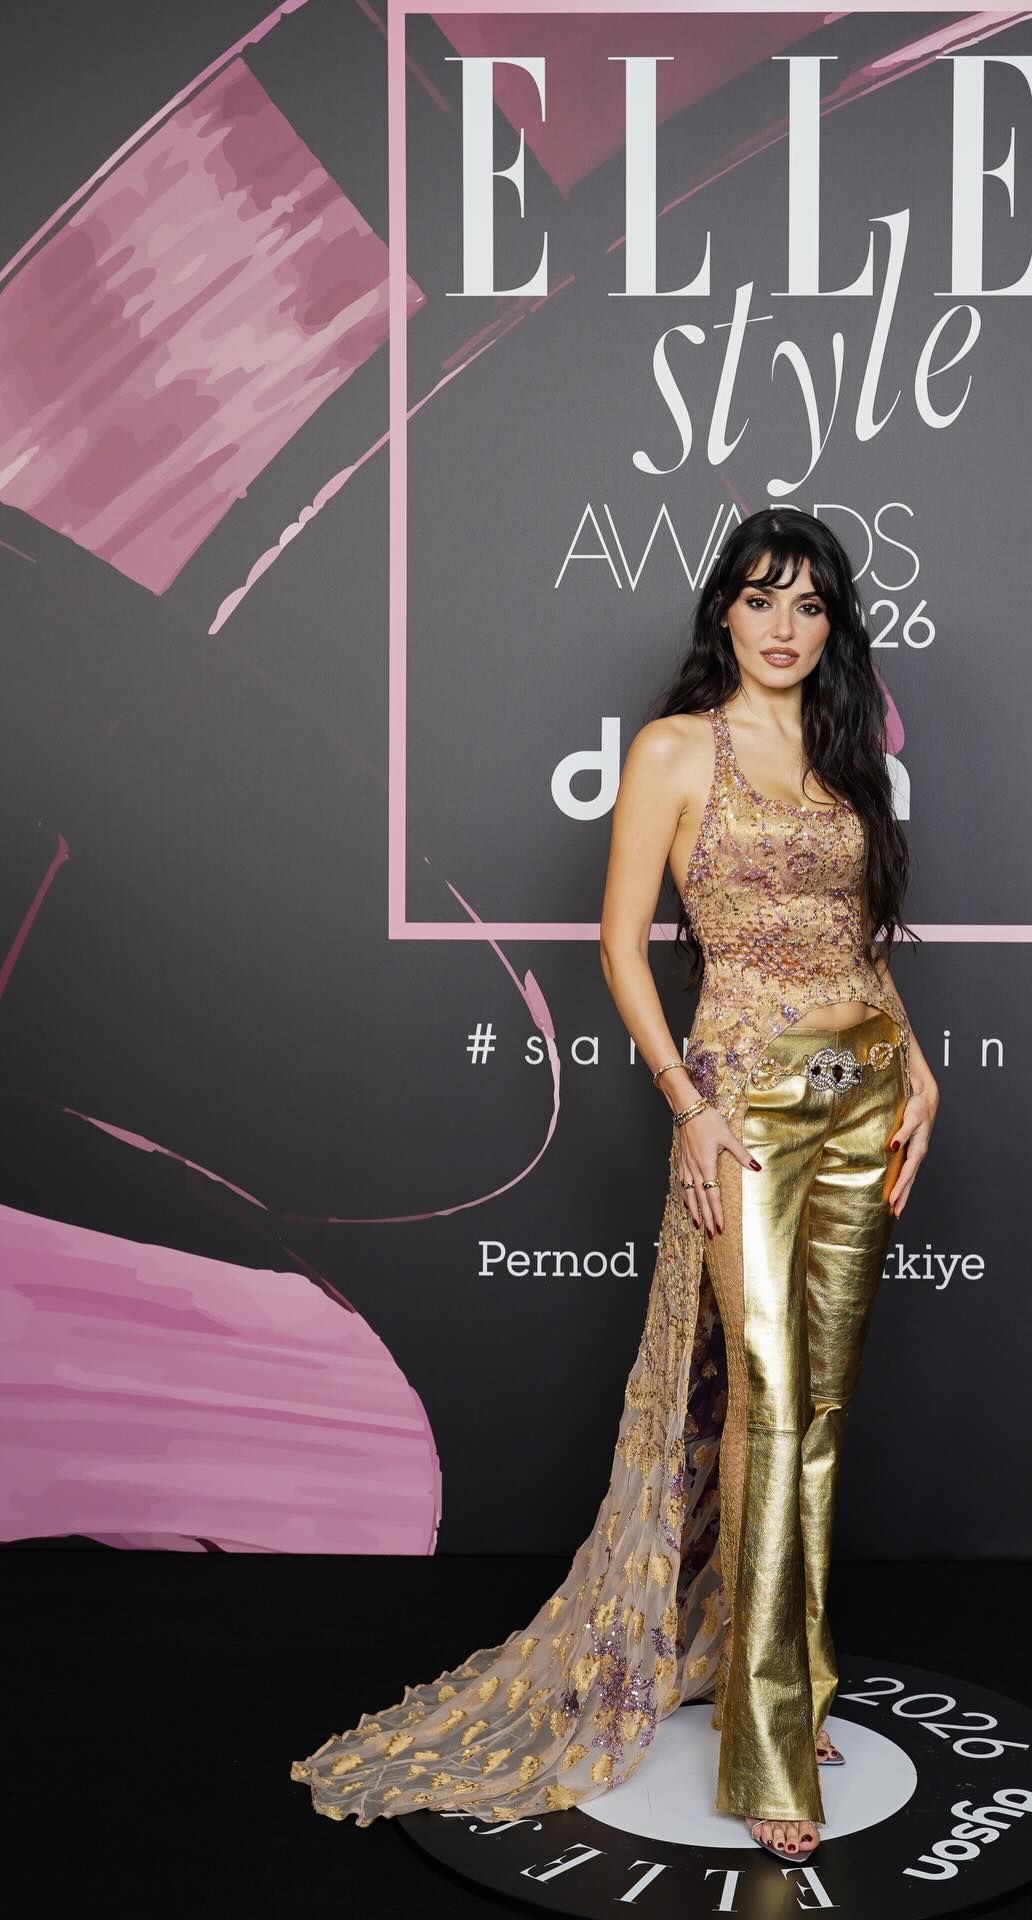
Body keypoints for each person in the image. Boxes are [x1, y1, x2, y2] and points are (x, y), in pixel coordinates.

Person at [288, 508, 939, 1864]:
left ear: (832, 627)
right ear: (724, 614)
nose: (782, 626)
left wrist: (918, 1063)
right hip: (746, 1104)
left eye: (809, 605)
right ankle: (767, 1749)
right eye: (760, 599)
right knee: (766, 1402)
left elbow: (855, 937)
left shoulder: (839, 752)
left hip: (864, 1088)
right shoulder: (675, 749)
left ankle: (800, 1677)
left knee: (819, 1413)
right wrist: (688, 1107)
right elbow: (622, 946)